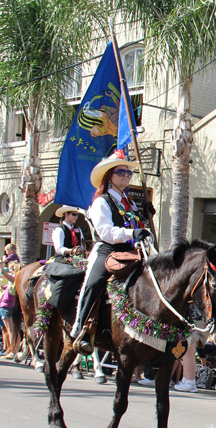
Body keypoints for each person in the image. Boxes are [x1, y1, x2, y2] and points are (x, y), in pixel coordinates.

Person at [70, 151, 153, 355]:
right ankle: (80, 327)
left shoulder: (129, 202)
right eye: (121, 172)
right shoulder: (102, 202)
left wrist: (145, 217)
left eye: (128, 173)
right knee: (94, 282)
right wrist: (132, 231)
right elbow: (105, 232)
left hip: (131, 252)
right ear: (109, 176)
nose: (126, 175)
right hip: (107, 251)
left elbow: (137, 226)